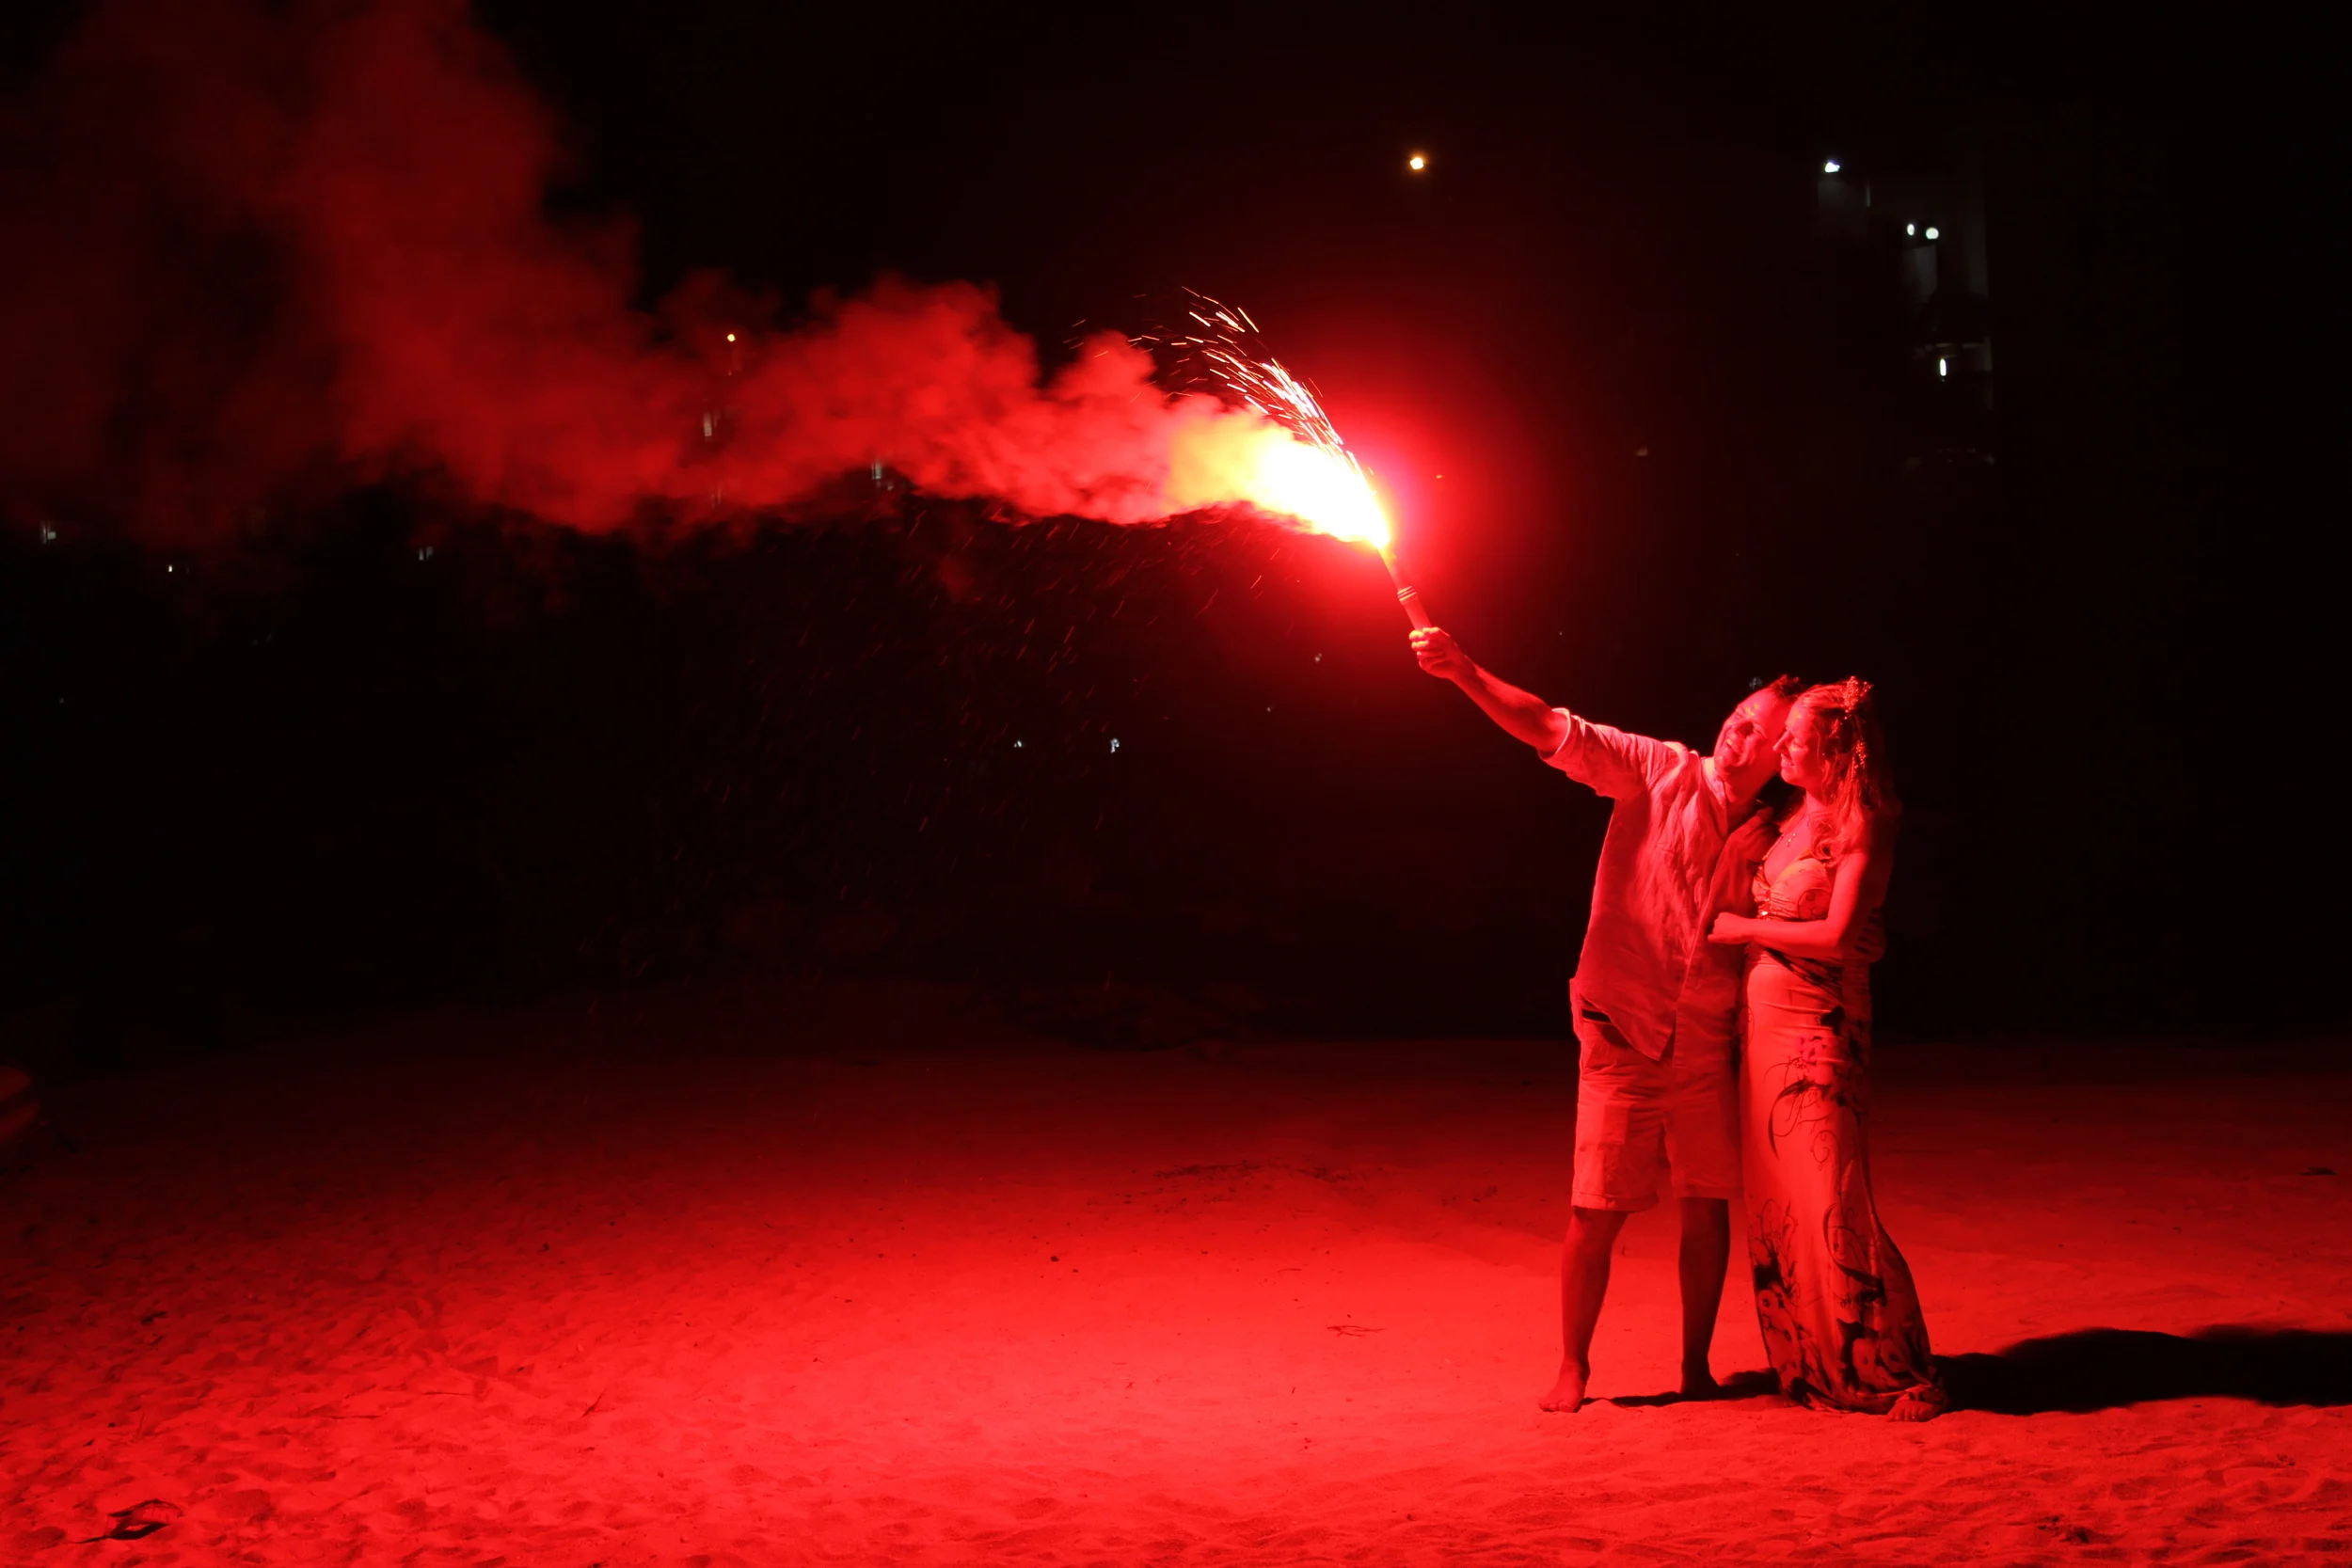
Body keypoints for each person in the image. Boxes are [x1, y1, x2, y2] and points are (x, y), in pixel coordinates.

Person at [1411, 626, 1800, 1412]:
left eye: (1758, 730)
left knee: (1707, 1205)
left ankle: (1695, 1366)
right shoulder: (1659, 769)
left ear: (1783, 753)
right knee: (1595, 1210)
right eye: (1738, 715)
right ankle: (1573, 1366)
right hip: (1625, 1026)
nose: (1737, 731)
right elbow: (1551, 727)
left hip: (1706, 1040)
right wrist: (1465, 672)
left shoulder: (1775, 832)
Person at [1707, 677, 1946, 1420]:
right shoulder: (1787, 816)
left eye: (1798, 739)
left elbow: (1841, 935)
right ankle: (1816, 1360)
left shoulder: (1863, 822)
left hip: (1820, 1022)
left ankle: (1895, 1365)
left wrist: (1746, 931)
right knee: (1779, 1198)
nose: (1782, 747)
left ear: (1835, 751)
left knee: (1830, 1193)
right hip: (1765, 1021)